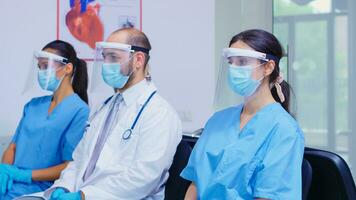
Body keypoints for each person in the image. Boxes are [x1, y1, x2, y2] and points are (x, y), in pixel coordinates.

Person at [46, 28, 182, 200]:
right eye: (105, 57)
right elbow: (79, 160)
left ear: (138, 59)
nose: (106, 64)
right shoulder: (104, 107)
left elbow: (144, 177)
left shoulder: (159, 113)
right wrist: (64, 187)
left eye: (113, 57)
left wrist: (83, 195)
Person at [181, 29, 305, 200]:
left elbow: (270, 195)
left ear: (268, 67)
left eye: (242, 61)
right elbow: (195, 184)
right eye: (231, 62)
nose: (233, 69)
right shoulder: (218, 121)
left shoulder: (284, 130)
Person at [0, 40, 90, 199]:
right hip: (10, 184)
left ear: (67, 68)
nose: (41, 71)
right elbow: (12, 147)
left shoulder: (79, 111)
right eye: (39, 67)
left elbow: (70, 165)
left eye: (46, 66)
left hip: (40, 189)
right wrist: (4, 171)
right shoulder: (32, 106)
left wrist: (25, 175)